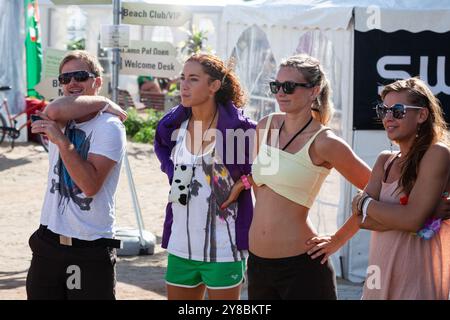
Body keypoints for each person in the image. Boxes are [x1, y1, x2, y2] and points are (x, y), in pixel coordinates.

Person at [241, 53, 372, 300]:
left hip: (302, 267)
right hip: (258, 265)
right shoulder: (266, 125)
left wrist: (338, 239)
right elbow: (262, 185)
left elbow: (377, 188)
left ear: (314, 90)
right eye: (276, 86)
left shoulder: (325, 142)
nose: (280, 92)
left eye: (289, 86)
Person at [154, 53, 256, 300]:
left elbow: (270, 168)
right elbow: (164, 154)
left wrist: (243, 183)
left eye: (193, 79)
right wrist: (172, 174)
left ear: (214, 86)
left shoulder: (239, 130)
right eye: (183, 78)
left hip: (224, 247)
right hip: (181, 245)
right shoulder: (173, 127)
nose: (184, 86)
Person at [27, 50, 127, 300]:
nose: (72, 83)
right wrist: (105, 101)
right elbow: (55, 107)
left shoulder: (109, 126)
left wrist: (61, 141)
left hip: (89, 246)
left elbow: (89, 185)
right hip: (48, 242)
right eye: (65, 78)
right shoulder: (60, 118)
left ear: (97, 82)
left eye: (80, 76)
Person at [349, 78, 449, 299]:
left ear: (422, 115)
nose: (388, 117)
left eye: (398, 110)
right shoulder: (384, 160)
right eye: (383, 110)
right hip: (378, 280)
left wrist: (364, 203)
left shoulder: (436, 154)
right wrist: (421, 215)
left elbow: (410, 220)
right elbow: (361, 221)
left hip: (417, 283)